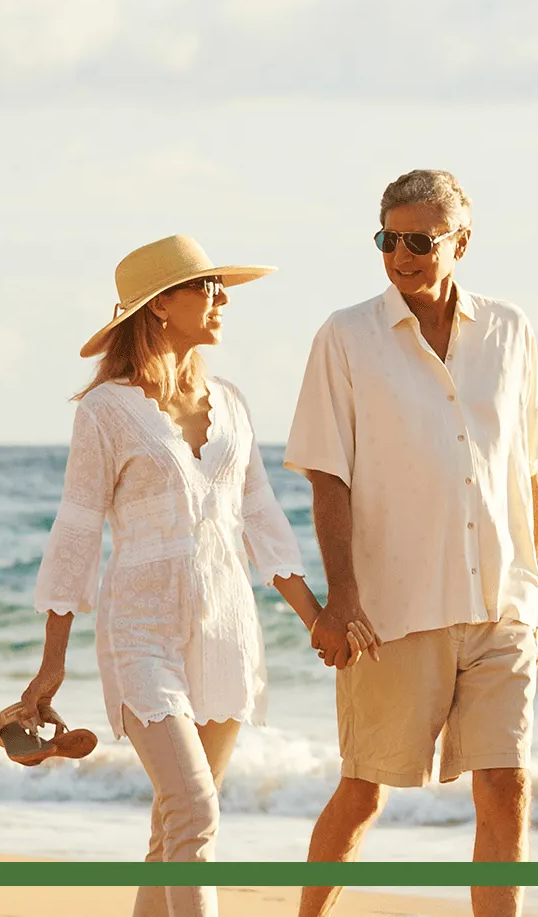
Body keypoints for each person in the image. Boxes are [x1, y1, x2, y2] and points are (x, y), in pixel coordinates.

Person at [23, 235, 329, 917]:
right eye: (207, 287)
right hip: (141, 632)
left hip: (226, 631)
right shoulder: (105, 410)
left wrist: (318, 620)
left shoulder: (233, 404)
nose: (222, 300)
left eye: (222, 287)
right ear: (160, 305)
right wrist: (51, 665)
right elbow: (76, 533)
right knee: (194, 810)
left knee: (175, 827)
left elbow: (261, 518)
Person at [287, 169, 538, 917]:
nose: (401, 256)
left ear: (461, 242)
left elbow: (529, 468)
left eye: (420, 241)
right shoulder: (346, 337)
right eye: (388, 239)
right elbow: (327, 475)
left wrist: (535, 594)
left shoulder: (511, 330)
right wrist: (342, 598)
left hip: (501, 606)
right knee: (364, 789)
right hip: (391, 612)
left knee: (506, 784)